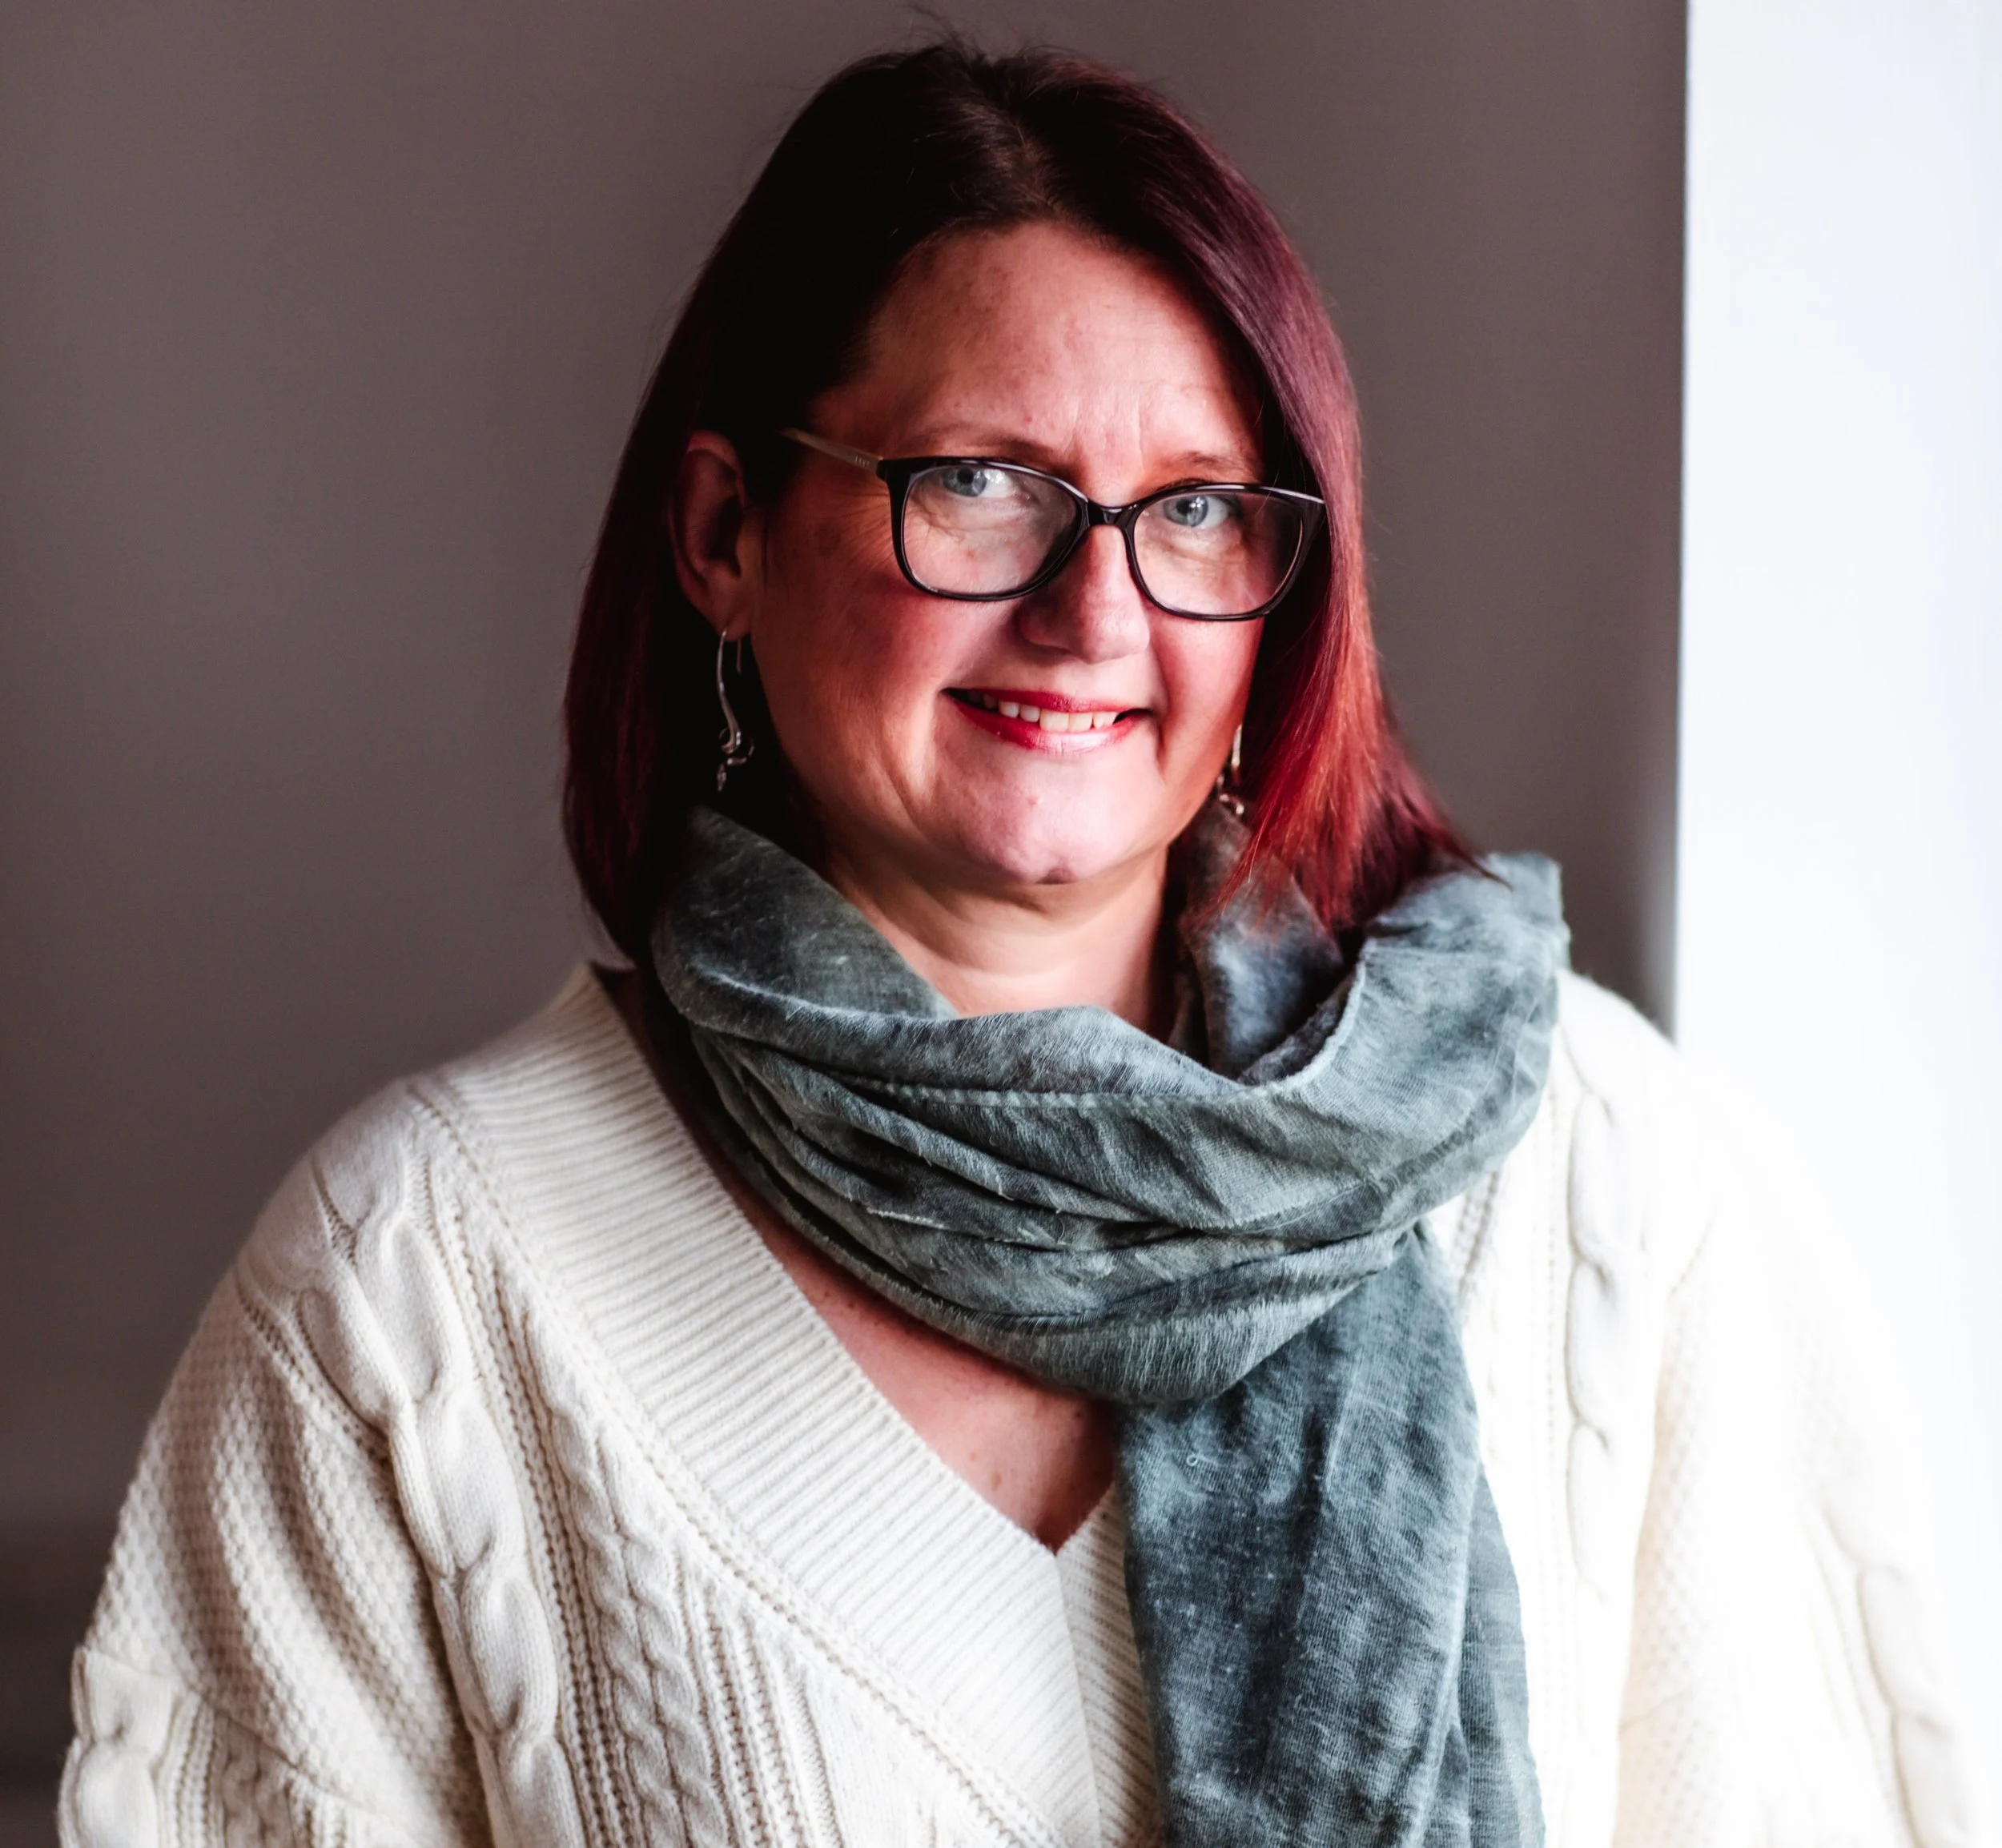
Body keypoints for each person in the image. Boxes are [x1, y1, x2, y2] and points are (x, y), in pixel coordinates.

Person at [60, 40, 1974, 1848]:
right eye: (978, 483)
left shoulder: (1604, 1178)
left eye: (1197, 511)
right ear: (725, 528)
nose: (1092, 612)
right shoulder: (417, 1286)